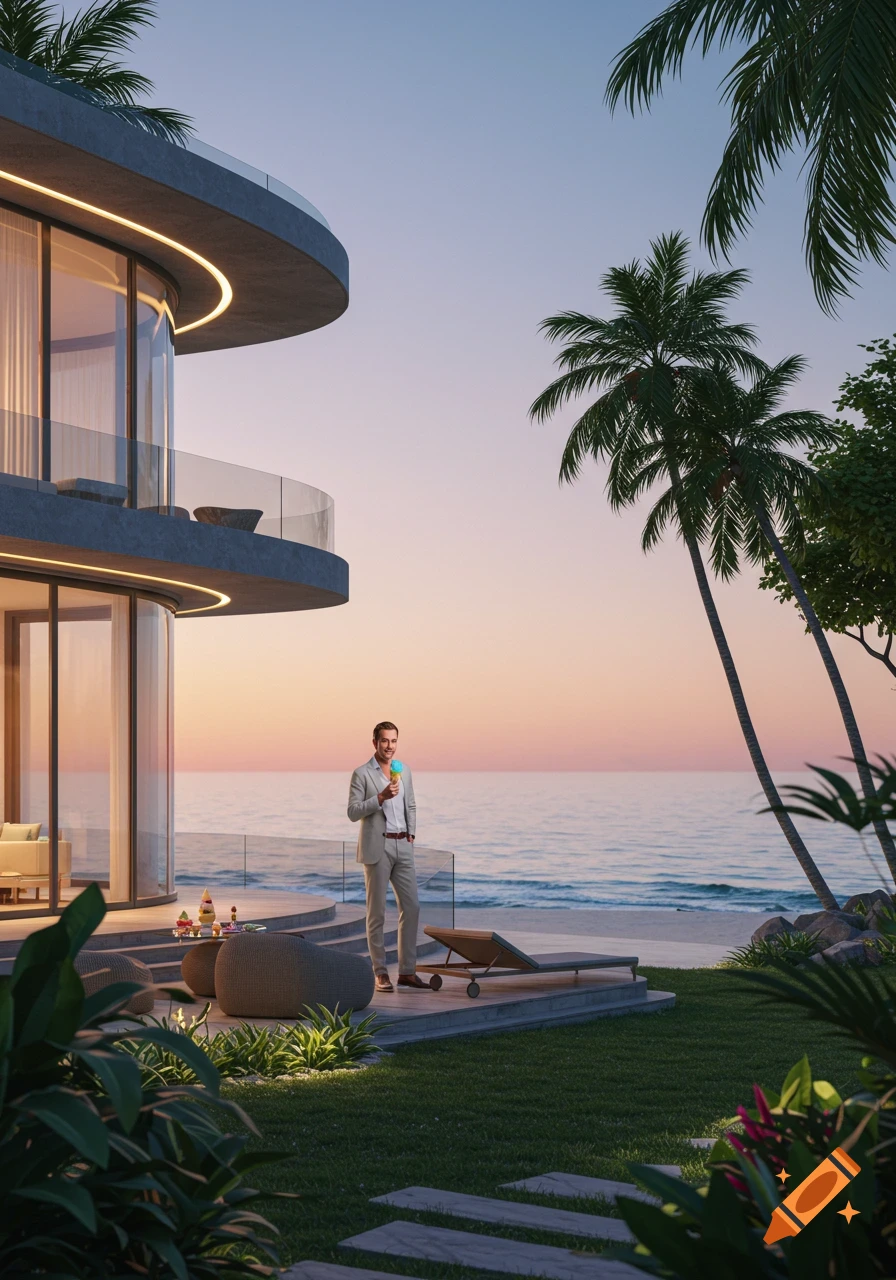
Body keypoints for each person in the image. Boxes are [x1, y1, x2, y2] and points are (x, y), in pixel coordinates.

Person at [347, 721, 427, 992]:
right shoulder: (362, 774)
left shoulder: (403, 771)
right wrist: (380, 797)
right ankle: (380, 972)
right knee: (377, 914)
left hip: (403, 845)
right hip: (376, 849)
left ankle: (407, 972)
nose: (389, 746)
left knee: (412, 907)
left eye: (393, 741)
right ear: (375, 743)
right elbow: (353, 812)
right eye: (384, 741)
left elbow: (411, 804)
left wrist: (411, 834)